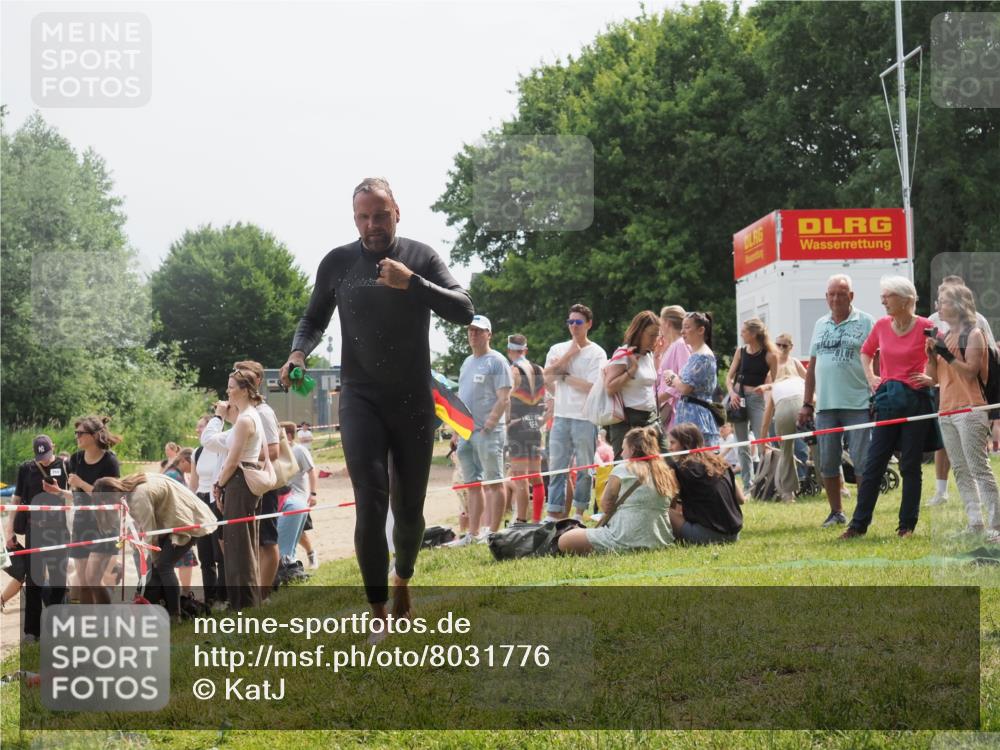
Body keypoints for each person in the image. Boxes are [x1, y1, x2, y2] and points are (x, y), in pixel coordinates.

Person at [281, 177, 474, 623]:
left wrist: (413, 284)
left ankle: (402, 577)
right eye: (364, 217)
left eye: (380, 215)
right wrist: (297, 353)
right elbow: (312, 319)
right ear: (355, 219)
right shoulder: (338, 263)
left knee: (409, 513)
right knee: (370, 503)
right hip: (360, 398)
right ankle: (378, 612)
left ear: (397, 213)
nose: (373, 225)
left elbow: (465, 308)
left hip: (412, 401)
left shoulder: (420, 257)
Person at [841, 276, 942, 539]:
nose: (882, 301)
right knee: (874, 464)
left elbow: (941, 358)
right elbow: (866, 352)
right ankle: (857, 525)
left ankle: (906, 526)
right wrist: (871, 377)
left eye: (888, 296)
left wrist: (933, 379)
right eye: (883, 296)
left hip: (916, 401)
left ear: (907, 299)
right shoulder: (882, 325)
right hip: (887, 401)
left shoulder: (927, 326)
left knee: (909, 465)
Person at [798, 274, 876, 527]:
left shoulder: (866, 322)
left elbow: (877, 359)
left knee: (863, 461)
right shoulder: (820, 324)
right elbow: (812, 366)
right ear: (826, 297)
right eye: (831, 294)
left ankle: (862, 515)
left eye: (841, 294)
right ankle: (836, 512)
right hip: (826, 406)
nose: (835, 298)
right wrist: (807, 402)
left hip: (859, 404)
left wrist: (877, 391)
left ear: (851, 296)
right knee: (828, 461)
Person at [925, 284, 999, 537]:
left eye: (943, 302)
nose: (938, 307)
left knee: (979, 468)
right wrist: (930, 355)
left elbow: (970, 372)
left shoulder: (974, 334)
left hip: (970, 408)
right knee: (960, 469)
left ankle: (996, 525)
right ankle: (975, 523)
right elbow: (933, 377)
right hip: (946, 409)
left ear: (958, 306)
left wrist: (945, 354)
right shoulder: (944, 337)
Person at [93, 473, 215, 620]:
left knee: (163, 565)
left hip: (187, 519)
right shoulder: (129, 489)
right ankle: (162, 609)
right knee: (155, 569)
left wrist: (152, 561)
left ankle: (175, 615)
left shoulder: (138, 497)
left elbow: (150, 536)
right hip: (171, 521)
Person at [558, 427, 676, 555]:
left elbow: (605, 505)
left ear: (632, 449)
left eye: (623, 449)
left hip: (622, 538)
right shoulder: (666, 472)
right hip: (661, 540)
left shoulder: (622, 469)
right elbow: (672, 506)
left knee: (565, 540)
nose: (621, 453)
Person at [44, 416, 122, 605]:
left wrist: (81, 483)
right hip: (81, 523)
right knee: (84, 583)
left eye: (81, 433)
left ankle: (106, 619)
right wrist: (60, 491)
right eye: (75, 433)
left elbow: (110, 498)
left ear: (95, 435)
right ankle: (89, 623)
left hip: (104, 524)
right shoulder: (75, 459)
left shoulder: (110, 461)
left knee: (93, 580)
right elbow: (79, 498)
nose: (76, 436)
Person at [543, 304, 608, 522]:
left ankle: (580, 513)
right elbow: (545, 378)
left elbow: (592, 387)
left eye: (578, 322)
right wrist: (568, 355)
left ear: (588, 324)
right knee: (557, 468)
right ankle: (553, 513)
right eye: (570, 322)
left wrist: (565, 376)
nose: (573, 326)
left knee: (584, 469)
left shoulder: (598, 353)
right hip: (560, 416)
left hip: (585, 417)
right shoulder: (557, 349)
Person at [452, 316, 512, 542]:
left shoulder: (497, 361)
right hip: (466, 431)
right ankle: (473, 533)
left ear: (489, 334)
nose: (473, 334)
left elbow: (504, 397)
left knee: (494, 481)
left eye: (479, 331)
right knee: (472, 484)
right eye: (471, 330)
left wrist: (490, 424)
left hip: (488, 432)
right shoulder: (467, 362)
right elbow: (461, 398)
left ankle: (493, 533)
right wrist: (456, 430)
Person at [212, 367, 266, 609]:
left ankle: (243, 604)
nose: (228, 391)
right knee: (242, 544)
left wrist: (218, 484)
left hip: (239, 481)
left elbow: (233, 461)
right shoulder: (249, 415)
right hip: (240, 480)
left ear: (244, 390)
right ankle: (245, 602)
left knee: (238, 546)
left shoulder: (246, 419)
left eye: (232, 387)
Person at [232, 360, 283, 603]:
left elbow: (274, 451)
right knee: (252, 540)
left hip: (261, 480)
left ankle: (263, 594)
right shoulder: (241, 412)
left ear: (257, 382)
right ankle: (252, 594)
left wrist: (245, 456)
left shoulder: (263, 412)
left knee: (267, 539)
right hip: (245, 479)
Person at [11, 435, 69, 641]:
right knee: (34, 581)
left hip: (59, 530)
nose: (44, 459)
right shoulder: (26, 469)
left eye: (47, 453)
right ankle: (31, 631)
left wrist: (59, 492)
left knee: (58, 581)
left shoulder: (65, 466)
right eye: (40, 455)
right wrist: (10, 529)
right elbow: (16, 499)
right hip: (35, 530)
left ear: (53, 447)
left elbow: (73, 499)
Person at [604, 310, 668, 460]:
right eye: (651, 335)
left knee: (667, 463)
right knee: (625, 469)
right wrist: (632, 370)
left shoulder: (649, 354)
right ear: (639, 332)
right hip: (628, 421)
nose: (654, 339)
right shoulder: (623, 354)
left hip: (651, 418)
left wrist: (657, 354)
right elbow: (609, 388)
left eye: (657, 335)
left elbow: (647, 381)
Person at [666, 423, 744, 544]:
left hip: (710, 535)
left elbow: (670, 503)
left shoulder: (679, 469)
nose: (669, 448)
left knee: (665, 512)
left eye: (672, 443)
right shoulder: (720, 462)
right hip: (735, 534)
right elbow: (740, 499)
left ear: (685, 444)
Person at [725, 318, 779, 491]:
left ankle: (768, 482)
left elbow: (777, 382)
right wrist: (732, 392)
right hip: (737, 399)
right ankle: (749, 486)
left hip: (756, 400)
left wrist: (765, 386)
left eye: (744, 330)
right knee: (742, 445)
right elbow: (729, 377)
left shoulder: (770, 355)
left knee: (762, 441)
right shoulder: (740, 351)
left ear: (754, 334)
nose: (741, 333)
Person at [661, 312, 721, 448]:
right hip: (691, 415)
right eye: (682, 327)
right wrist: (676, 380)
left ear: (701, 330)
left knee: (696, 461)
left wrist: (672, 376)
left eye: (687, 327)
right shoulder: (697, 354)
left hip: (696, 417)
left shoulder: (702, 356)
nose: (682, 331)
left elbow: (685, 388)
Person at [760, 333, 808, 502]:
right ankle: (789, 492)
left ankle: (837, 484)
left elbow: (808, 380)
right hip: (782, 409)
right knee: (787, 450)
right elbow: (769, 405)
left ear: (791, 347)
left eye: (784, 346)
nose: (780, 348)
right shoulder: (771, 368)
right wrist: (763, 433)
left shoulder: (795, 363)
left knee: (810, 448)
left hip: (801, 405)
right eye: (777, 345)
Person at [505, 333, 546, 524]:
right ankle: (537, 519)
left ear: (509, 351)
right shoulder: (539, 369)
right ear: (525, 350)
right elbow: (547, 400)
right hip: (534, 425)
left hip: (518, 427)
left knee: (520, 477)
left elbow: (505, 399)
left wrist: (505, 422)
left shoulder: (513, 370)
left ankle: (521, 520)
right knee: (536, 476)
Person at [191, 414, 226, 608]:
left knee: (218, 553)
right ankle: (210, 598)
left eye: (201, 427)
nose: (198, 430)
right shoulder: (197, 452)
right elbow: (193, 483)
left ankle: (223, 596)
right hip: (201, 500)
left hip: (216, 500)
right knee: (204, 555)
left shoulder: (221, 449)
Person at [277, 422, 318, 571]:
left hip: (298, 498)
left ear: (288, 435)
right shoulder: (279, 451)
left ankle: (310, 553)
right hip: (283, 498)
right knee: (292, 531)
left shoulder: (299, 450)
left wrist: (313, 494)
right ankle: (288, 559)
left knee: (300, 533)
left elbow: (312, 471)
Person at [655, 305, 691, 431]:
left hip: (675, 410)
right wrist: (657, 355)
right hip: (666, 408)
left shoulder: (680, 345)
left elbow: (685, 379)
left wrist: (659, 398)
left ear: (668, 323)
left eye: (660, 321)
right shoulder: (672, 346)